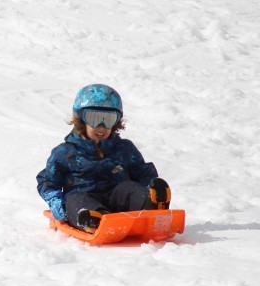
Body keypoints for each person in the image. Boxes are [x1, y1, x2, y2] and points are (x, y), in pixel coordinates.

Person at [36, 84, 170, 233]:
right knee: (75, 200)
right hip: (85, 202)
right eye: (94, 118)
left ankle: (152, 205)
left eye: (109, 119)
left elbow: (143, 173)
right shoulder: (65, 152)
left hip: (118, 202)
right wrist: (56, 203)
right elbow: (47, 181)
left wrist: (150, 187)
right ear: (81, 119)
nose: (102, 126)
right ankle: (94, 220)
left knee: (128, 188)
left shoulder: (124, 148)